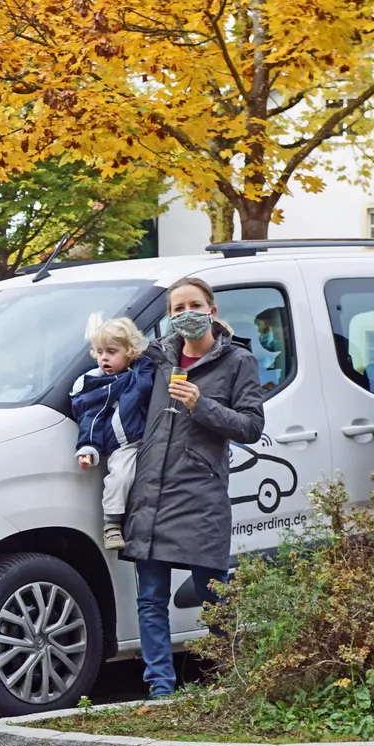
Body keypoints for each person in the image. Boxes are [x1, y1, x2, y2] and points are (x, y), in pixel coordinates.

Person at [122, 277, 265, 699]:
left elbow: (252, 426)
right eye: (177, 308)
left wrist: (199, 404)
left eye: (194, 305)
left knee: (213, 594)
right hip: (151, 493)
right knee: (150, 599)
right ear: (169, 316)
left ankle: (231, 679)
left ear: (212, 310)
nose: (186, 314)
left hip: (201, 496)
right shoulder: (158, 357)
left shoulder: (238, 361)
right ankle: (161, 689)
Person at [70, 317, 155, 550]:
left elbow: (147, 384)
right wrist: (88, 447)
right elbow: (91, 418)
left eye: (111, 351)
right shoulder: (99, 384)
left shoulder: (142, 370)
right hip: (122, 445)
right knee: (120, 477)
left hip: (148, 441)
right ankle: (112, 525)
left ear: (130, 352)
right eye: (99, 352)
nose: (103, 357)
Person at [253, 305, 288, 385]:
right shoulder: (283, 358)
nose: (262, 337)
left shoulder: (294, 360)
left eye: (265, 330)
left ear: (285, 328)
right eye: (260, 332)